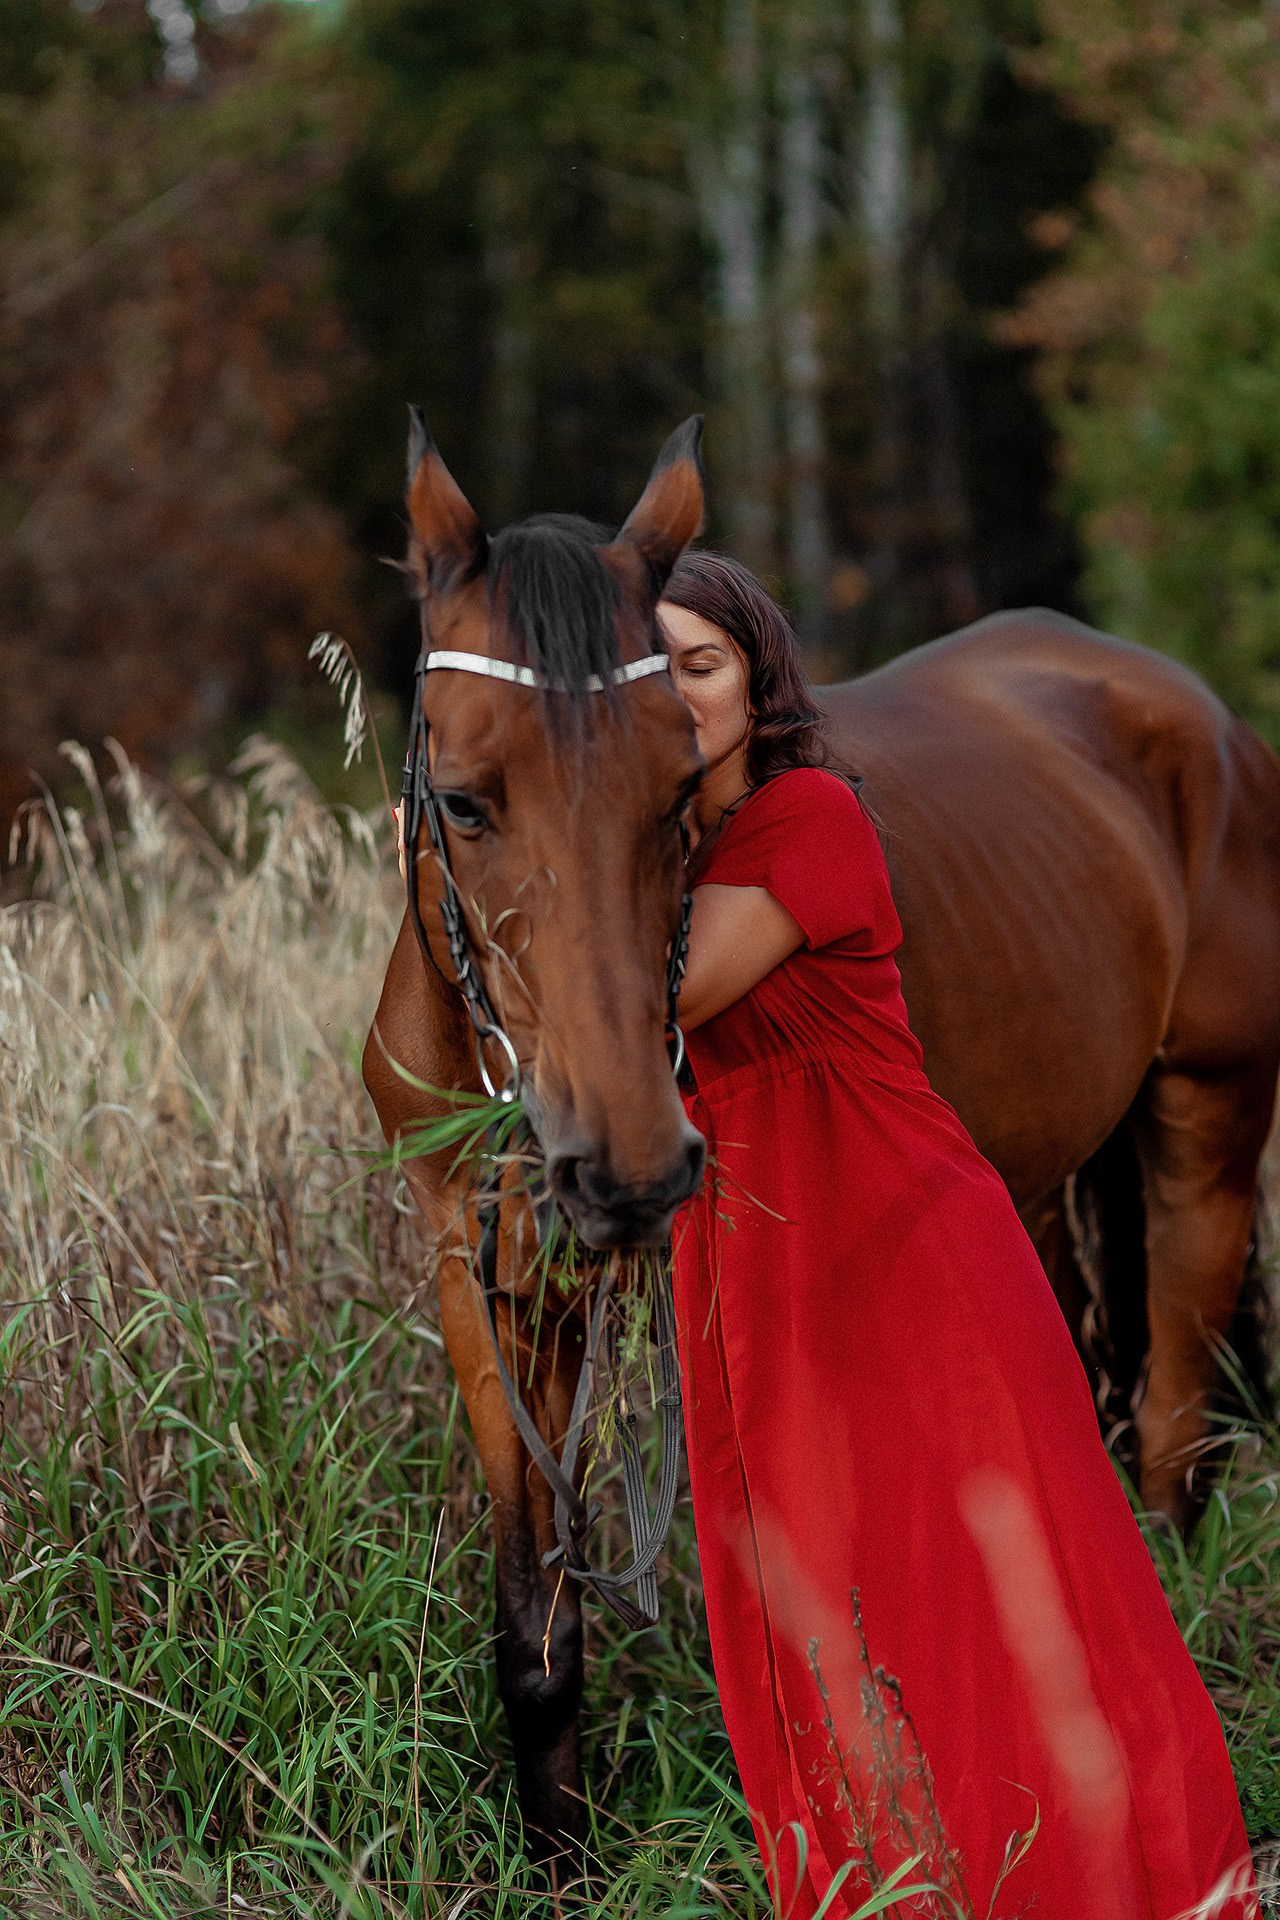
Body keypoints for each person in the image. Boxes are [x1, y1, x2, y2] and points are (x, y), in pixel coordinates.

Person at [658, 551, 1258, 1920]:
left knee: (970, 1572)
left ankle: (1089, 1870)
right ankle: (896, 1877)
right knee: (817, 1575)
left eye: (703, 665)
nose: (677, 696)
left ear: (760, 679)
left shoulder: (809, 817)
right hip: (757, 1255)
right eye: (651, 672)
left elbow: (664, 991)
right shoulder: (666, 845)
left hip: (897, 1234)